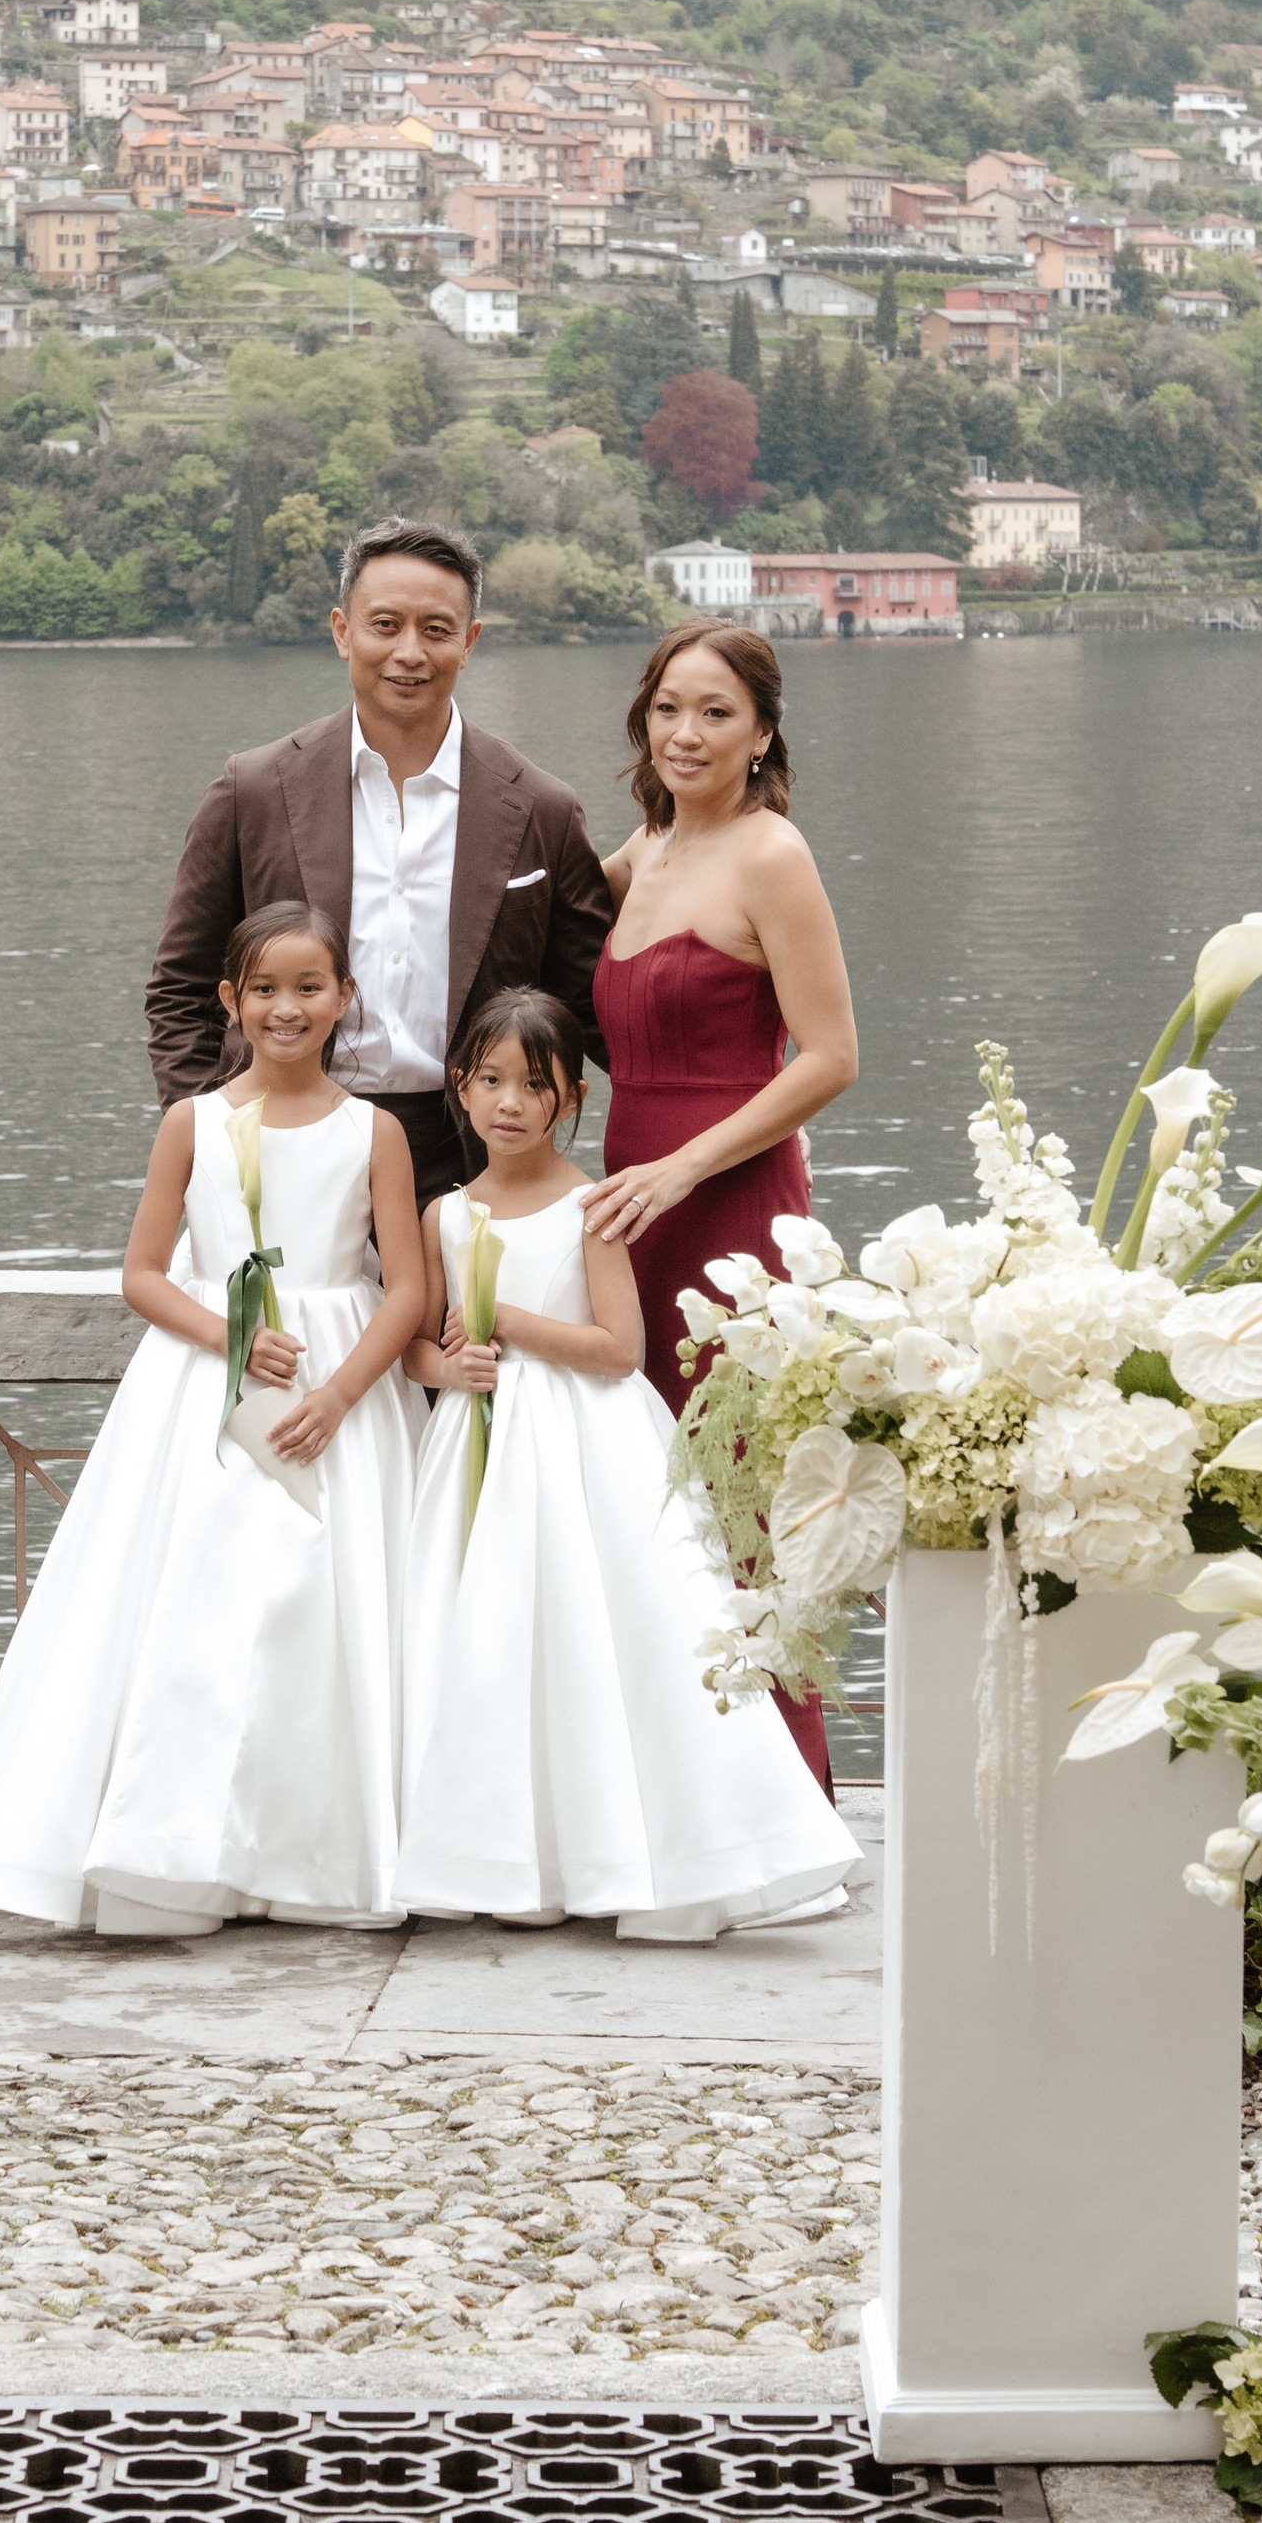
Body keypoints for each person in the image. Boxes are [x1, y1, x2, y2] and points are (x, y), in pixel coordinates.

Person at [0, 903, 424, 1935]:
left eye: (309, 987)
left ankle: (320, 1850)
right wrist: (232, 1338)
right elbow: (142, 1274)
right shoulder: (193, 1122)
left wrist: (335, 1393)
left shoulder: (378, 1131)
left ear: (345, 998)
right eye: (264, 989)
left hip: (340, 1389)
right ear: (230, 1000)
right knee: (203, 1609)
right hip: (204, 1389)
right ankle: (178, 1845)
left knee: (332, 1612)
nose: (287, 1008)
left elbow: (403, 1287)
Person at [397, 988, 859, 1939]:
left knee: (594, 1629)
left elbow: (618, 1347)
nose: (510, 1104)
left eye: (536, 1085)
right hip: (479, 1445)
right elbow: (419, 1353)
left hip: (582, 1445)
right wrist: (455, 1362)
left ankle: (630, 1845)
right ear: (460, 1089)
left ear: (571, 1100)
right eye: (490, 1082)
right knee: (487, 1637)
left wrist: (509, 1324)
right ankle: (498, 1852)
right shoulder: (444, 1213)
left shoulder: (591, 1207)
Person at [146, 516, 616, 1206]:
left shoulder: (542, 807)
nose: (409, 652)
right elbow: (181, 989)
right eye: (385, 625)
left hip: (471, 1152)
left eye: (436, 629)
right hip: (281, 1136)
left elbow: (593, 1008)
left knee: (464, 1322)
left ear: (470, 642)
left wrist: (715, 1129)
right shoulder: (253, 790)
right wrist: (214, 1137)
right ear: (342, 631)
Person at [584, 623, 859, 1793]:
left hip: (725, 1199)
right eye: (667, 710)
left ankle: (782, 1799)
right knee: (635, 1492)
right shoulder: (636, 853)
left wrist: (687, 1168)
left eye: (715, 714)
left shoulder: (770, 855)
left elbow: (832, 1056)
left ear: (760, 733)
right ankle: (663, 1788)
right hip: (620, 1198)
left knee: (739, 1493)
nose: (686, 734)